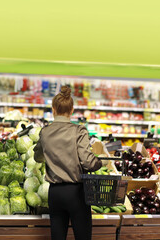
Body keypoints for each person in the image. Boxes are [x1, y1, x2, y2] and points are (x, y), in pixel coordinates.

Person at [34, 85, 102, 240]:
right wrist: (100, 162)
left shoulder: (45, 132)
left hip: (55, 193)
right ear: (72, 110)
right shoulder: (78, 131)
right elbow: (89, 163)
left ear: (53, 109)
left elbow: (37, 157)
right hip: (76, 193)